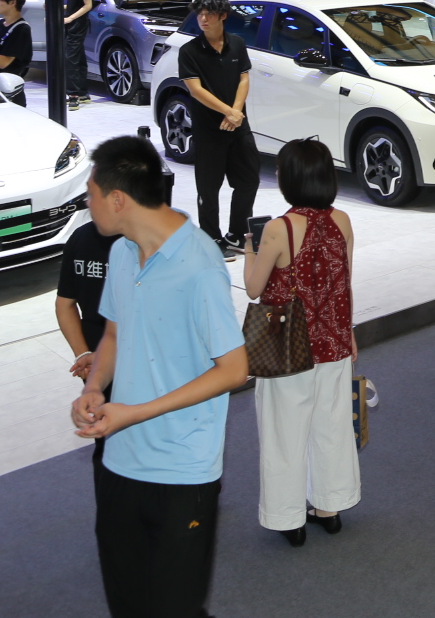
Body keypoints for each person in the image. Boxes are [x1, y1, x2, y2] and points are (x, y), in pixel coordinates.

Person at [71, 134, 247, 618]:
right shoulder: (122, 253)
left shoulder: (200, 265)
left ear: (117, 199)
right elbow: (114, 333)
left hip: (181, 471)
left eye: (90, 194)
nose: (87, 204)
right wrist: (94, 386)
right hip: (119, 462)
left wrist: (135, 412)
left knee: (175, 608)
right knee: (128, 604)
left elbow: (235, 369)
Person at [245, 139, 360, 544]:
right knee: (331, 426)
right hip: (333, 342)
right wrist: (349, 333)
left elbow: (254, 288)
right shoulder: (342, 220)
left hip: (287, 347)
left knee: (284, 433)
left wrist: (249, 249)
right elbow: (343, 282)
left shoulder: (278, 229)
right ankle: (329, 508)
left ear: (291, 178)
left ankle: (288, 519)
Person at [178, 0, 260, 254]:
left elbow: (244, 79)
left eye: (209, 14)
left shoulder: (237, 43)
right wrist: (228, 112)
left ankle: (237, 234)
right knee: (208, 189)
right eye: (199, 14)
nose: (203, 19)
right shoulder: (189, 51)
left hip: (238, 126)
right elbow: (195, 90)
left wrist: (235, 113)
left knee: (248, 180)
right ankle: (211, 239)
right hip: (208, 129)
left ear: (223, 15)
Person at [55, 200, 118, 471]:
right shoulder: (138, 243)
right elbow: (65, 304)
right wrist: (85, 355)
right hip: (116, 356)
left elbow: (64, 305)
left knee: (105, 440)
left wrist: (84, 354)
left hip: (96, 354)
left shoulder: (80, 236)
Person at [61, 0, 97, 109]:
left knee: (70, 59)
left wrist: (70, 18)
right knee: (78, 58)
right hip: (72, 24)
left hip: (77, 25)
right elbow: (74, 5)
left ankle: (73, 95)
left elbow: (88, 5)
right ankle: (83, 93)